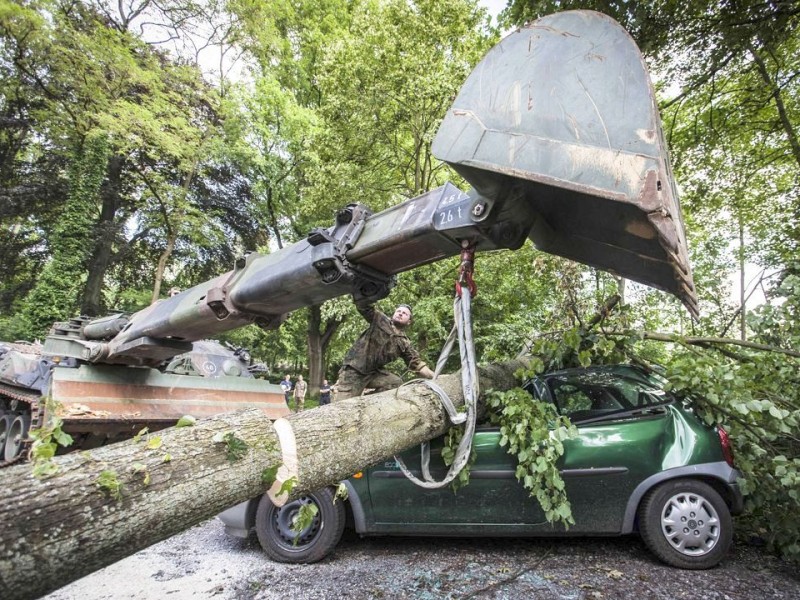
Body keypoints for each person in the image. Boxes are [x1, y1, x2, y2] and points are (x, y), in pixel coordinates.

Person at [333, 303, 434, 402]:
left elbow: (418, 365)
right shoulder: (380, 319)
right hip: (354, 370)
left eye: (404, 313)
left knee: (395, 383)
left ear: (409, 321)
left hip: (374, 374)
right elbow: (363, 307)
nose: (400, 313)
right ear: (393, 314)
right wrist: (365, 296)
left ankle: (365, 403)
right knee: (341, 406)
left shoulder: (404, 342)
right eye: (398, 311)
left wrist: (435, 377)